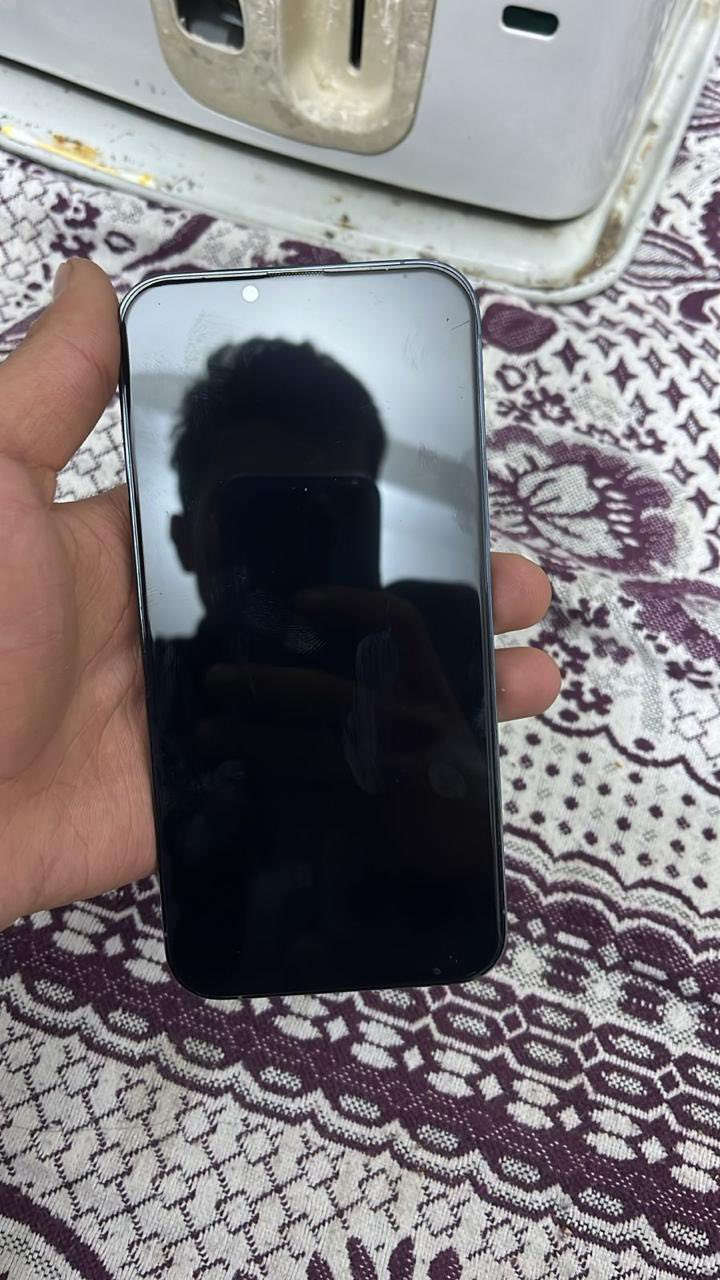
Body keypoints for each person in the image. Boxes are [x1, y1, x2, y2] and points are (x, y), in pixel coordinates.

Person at [0, 258, 562, 933]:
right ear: (180, 540)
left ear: (373, 521)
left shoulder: (427, 655)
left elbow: (443, 849)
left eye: (322, 517)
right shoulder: (144, 698)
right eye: (259, 520)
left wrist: (446, 813)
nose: (289, 548)